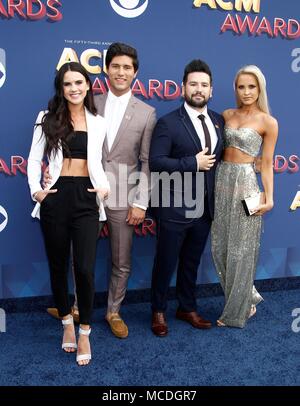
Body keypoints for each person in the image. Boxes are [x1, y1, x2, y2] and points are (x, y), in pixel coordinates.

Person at [45, 43, 156, 338]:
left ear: (135, 73)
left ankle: (113, 311)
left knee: (121, 259)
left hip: (123, 194)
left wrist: (141, 202)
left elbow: (146, 161)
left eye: (127, 67)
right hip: (84, 193)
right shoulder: (88, 102)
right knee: (79, 257)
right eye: (115, 66)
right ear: (106, 70)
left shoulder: (147, 113)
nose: (121, 72)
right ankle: (79, 308)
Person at [27, 62, 110, 365]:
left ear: (88, 85)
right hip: (57, 195)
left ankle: (85, 329)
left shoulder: (98, 121)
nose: (74, 88)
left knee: (85, 268)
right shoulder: (47, 119)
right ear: (61, 88)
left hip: (87, 197)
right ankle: (66, 324)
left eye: (79, 82)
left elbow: (100, 161)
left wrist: (104, 188)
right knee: (58, 265)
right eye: (67, 84)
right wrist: (37, 190)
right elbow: (35, 158)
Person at [149, 59, 224, 337]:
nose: (198, 89)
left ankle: (186, 307)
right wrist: (191, 163)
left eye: (204, 85)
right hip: (173, 208)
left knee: (192, 261)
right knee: (166, 261)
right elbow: (156, 162)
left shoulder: (218, 121)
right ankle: (158, 310)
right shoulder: (167, 123)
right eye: (193, 83)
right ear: (183, 87)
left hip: (205, 208)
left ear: (211, 90)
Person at [211, 65, 278, 328]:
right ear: (235, 89)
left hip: (248, 186)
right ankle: (246, 297)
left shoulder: (268, 122)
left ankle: (236, 313)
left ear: (260, 88)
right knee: (220, 248)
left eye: (252, 86)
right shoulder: (227, 115)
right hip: (221, 183)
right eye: (242, 86)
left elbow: (268, 163)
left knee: (242, 251)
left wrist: (269, 198)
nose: (247, 91)